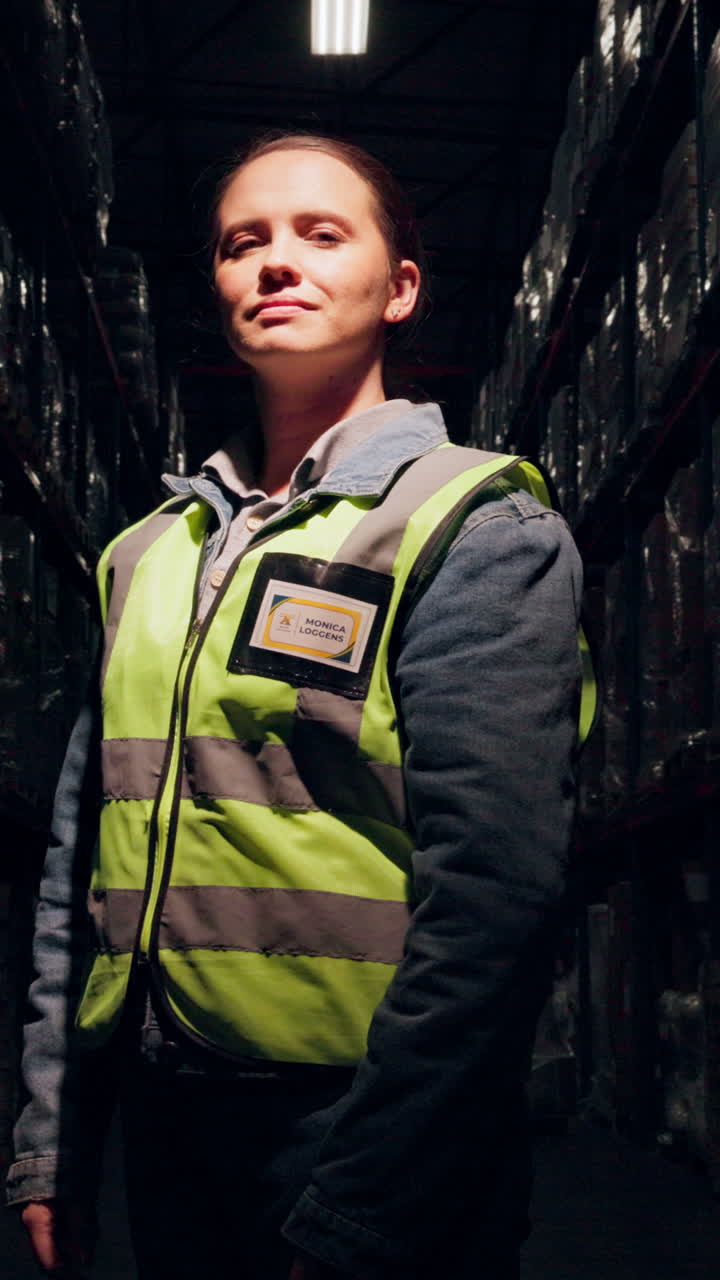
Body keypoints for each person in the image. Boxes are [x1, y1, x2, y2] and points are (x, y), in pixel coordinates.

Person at [7, 132, 588, 1280]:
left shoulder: (471, 526)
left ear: (400, 288)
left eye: (323, 234)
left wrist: (370, 1198)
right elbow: (81, 863)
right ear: (218, 287)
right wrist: (50, 1138)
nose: (276, 262)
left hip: (367, 1127)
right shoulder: (145, 554)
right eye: (244, 242)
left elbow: (496, 897)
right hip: (166, 1118)